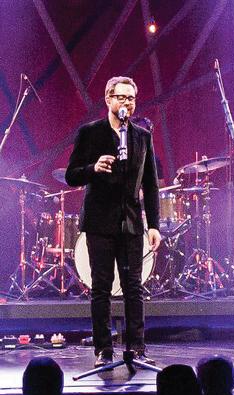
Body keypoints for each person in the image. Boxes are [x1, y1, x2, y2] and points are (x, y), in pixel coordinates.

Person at [65, 76, 161, 367]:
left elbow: (151, 184)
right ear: (108, 99)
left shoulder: (142, 136)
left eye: (131, 98)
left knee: (134, 287)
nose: (126, 103)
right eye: (121, 97)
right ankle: (103, 350)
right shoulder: (90, 133)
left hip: (131, 222)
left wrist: (153, 225)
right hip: (99, 222)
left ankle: (137, 347)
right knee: (101, 288)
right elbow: (71, 175)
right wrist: (93, 168)